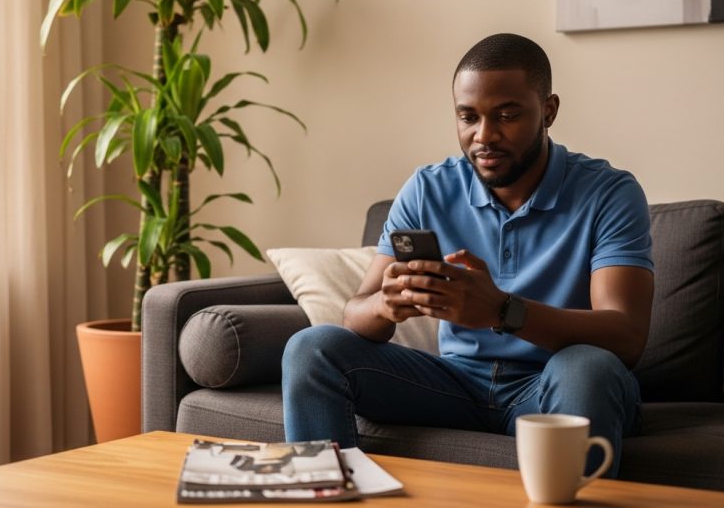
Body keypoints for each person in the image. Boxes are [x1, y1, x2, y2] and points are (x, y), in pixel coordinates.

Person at [280, 33, 654, 479]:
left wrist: (502, 310)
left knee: (588, 366)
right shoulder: (428, 188)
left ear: (549, 110)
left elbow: (626, 336)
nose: (484, 136)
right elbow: (355, 314)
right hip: (453, 384)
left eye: (507, 115)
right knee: (311, 348)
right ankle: (324, 494)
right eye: (468, 117)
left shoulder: (609, 193)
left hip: (553, 385)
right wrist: (386, 304)